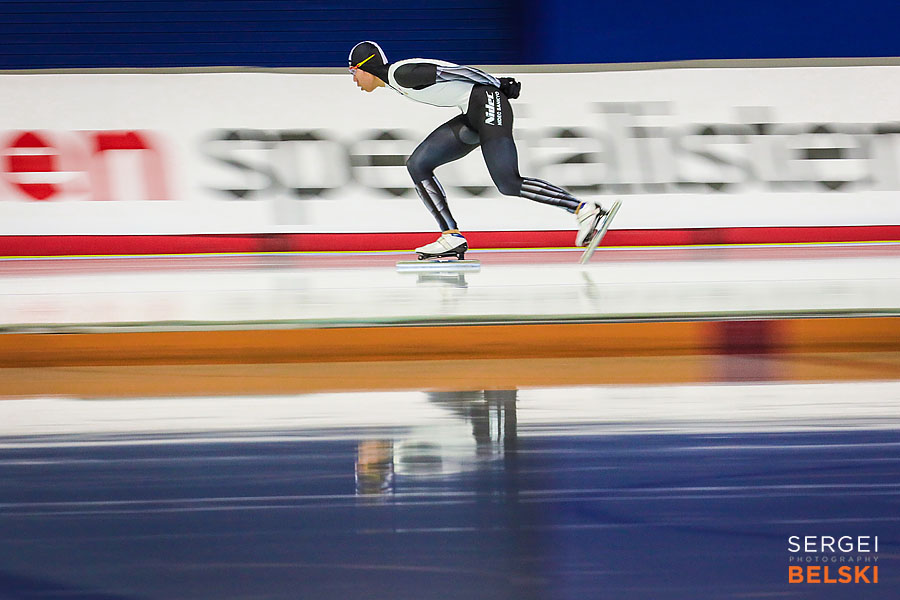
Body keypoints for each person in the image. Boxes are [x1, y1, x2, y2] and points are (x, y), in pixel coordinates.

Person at [348, 41, 607, 260]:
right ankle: (451, 237)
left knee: (508, 182)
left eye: (353, 72)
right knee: (418, 164)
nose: (354, 79)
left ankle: (584, 209)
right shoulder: (394, 81)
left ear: (365, 66)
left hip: (487, 102)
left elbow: (453, 71)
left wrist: (497, 83)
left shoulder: (399, 73)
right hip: (472, 114)